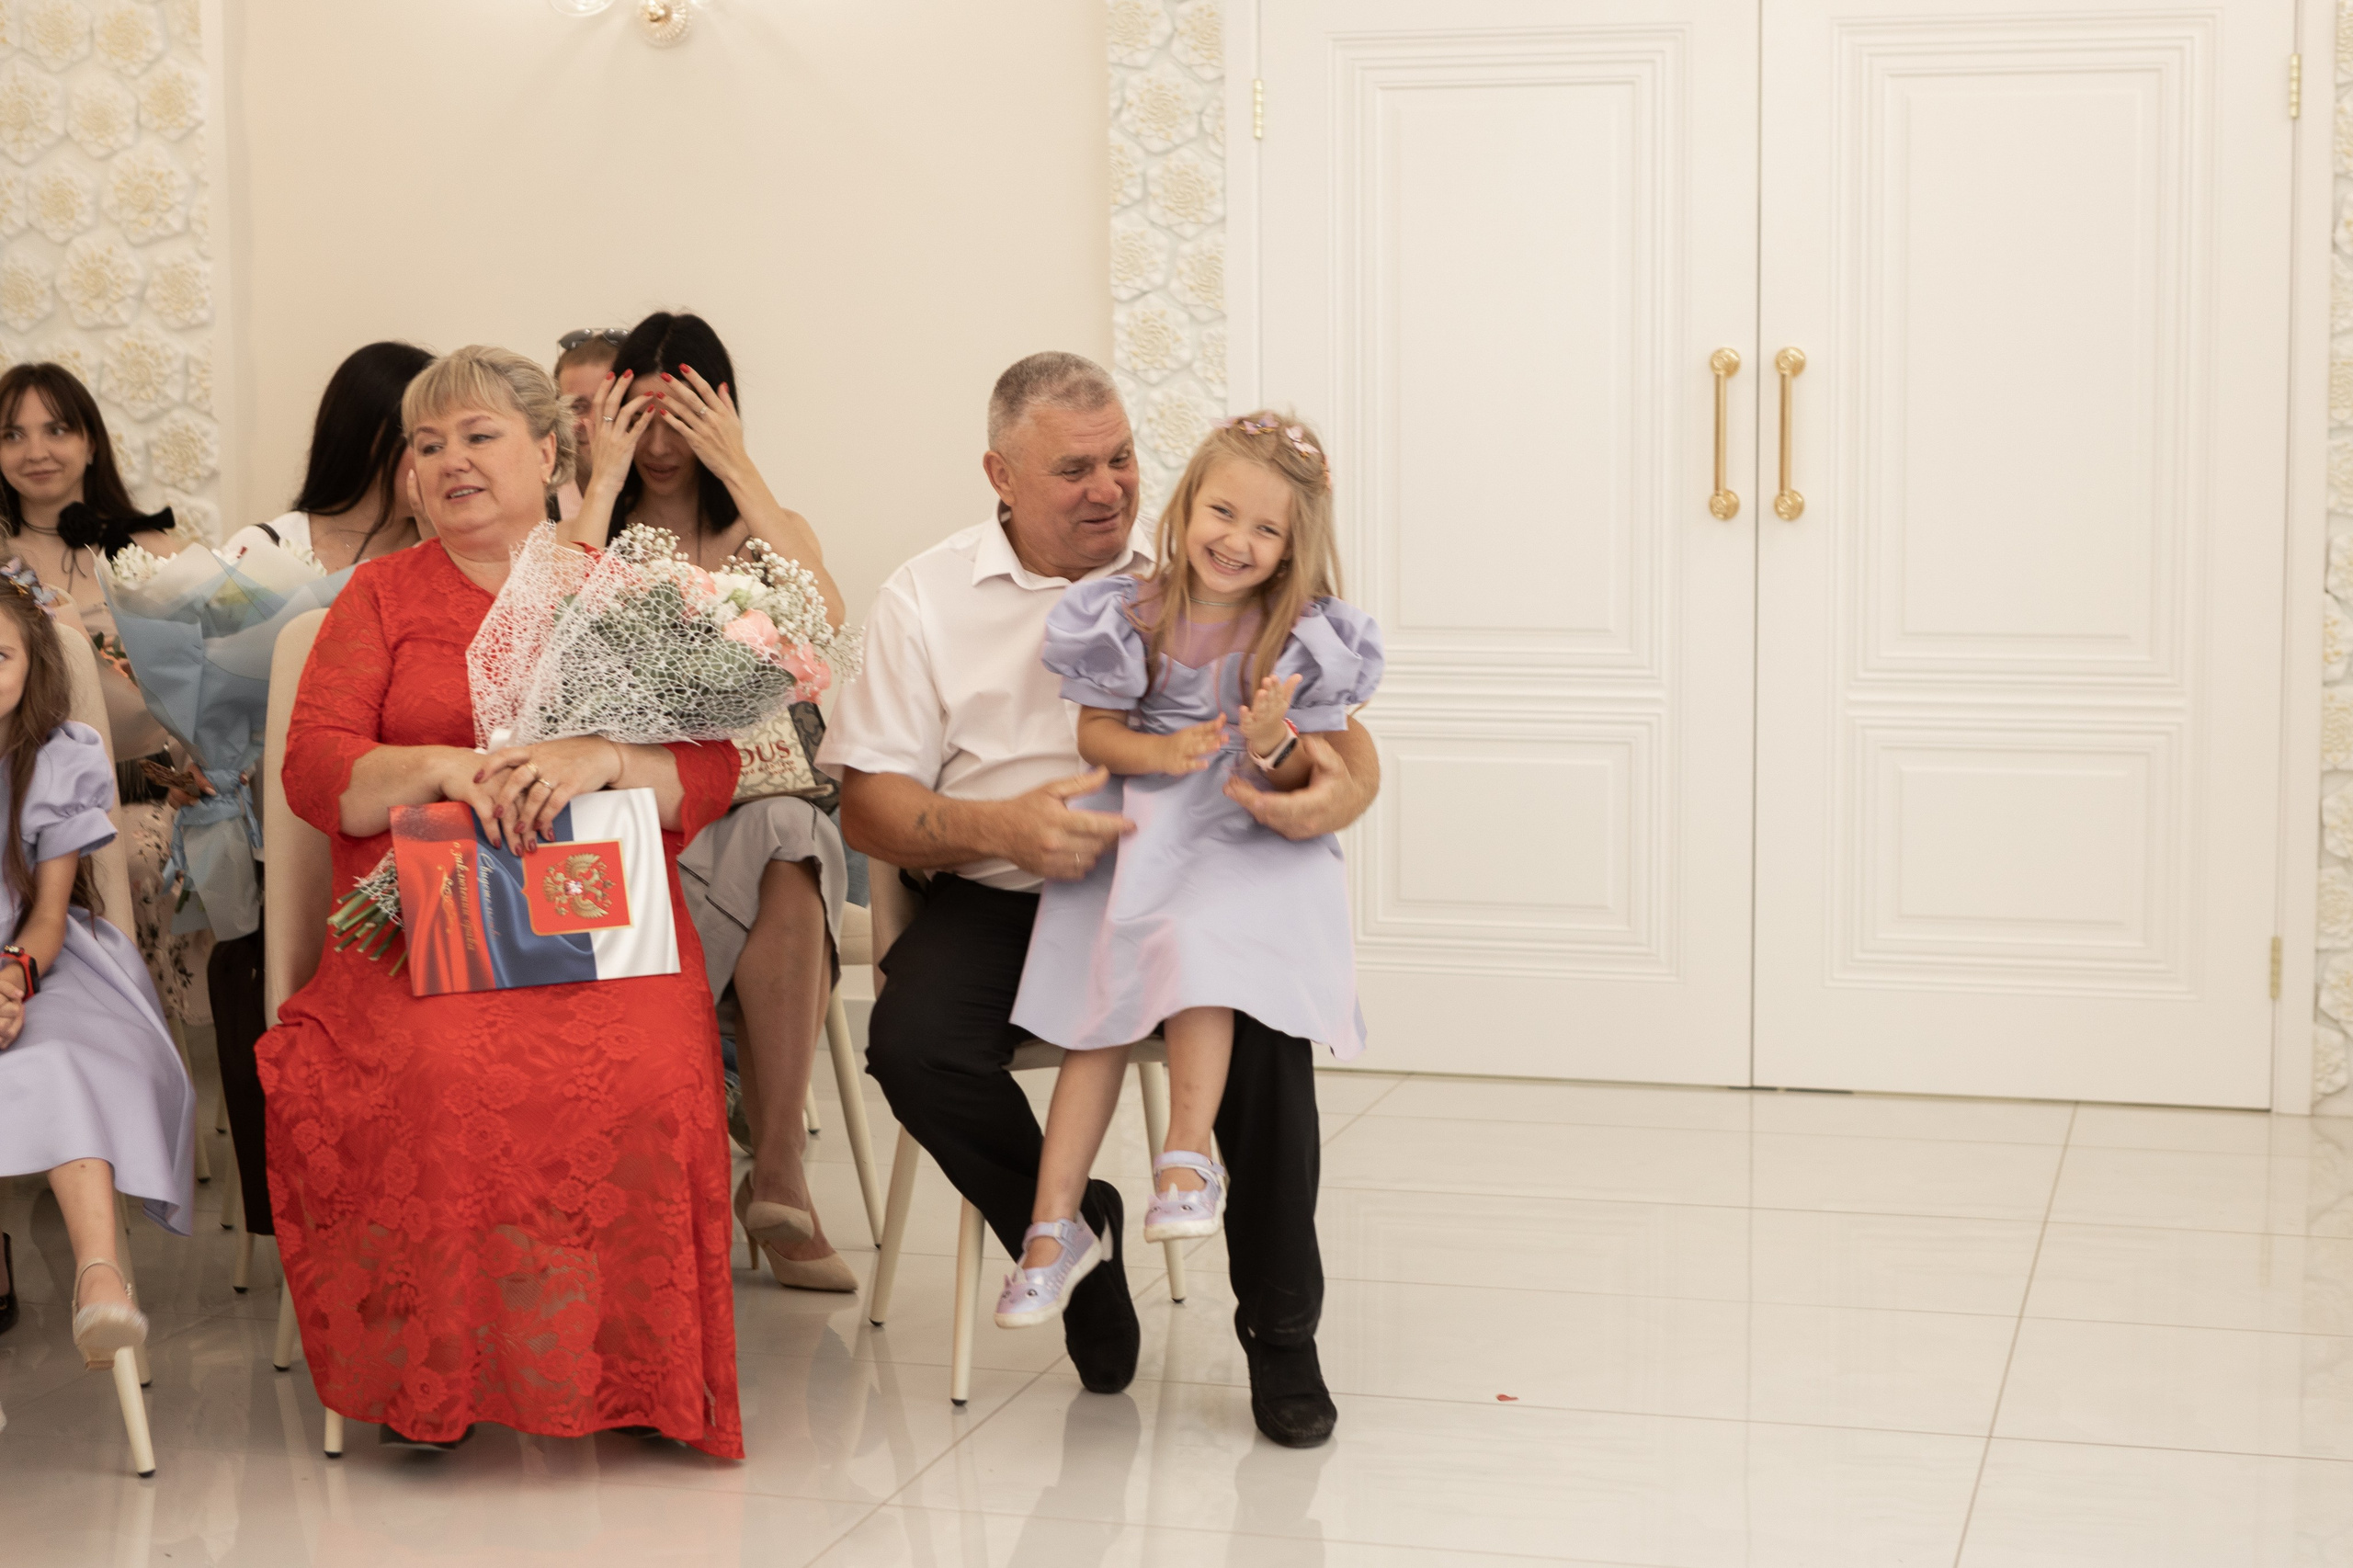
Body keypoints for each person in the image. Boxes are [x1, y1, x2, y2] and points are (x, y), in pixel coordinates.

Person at [820, 352, 1382, 1448]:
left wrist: (1335, 795)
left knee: (1261, 1037)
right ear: (1001, 473)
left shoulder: (1196, 558)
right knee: (915, 1043)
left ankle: (1280, 1329)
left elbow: (1341, 741)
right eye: (1073, 467)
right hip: (1002, 886)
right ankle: (1073, 1229)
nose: (1108, 487)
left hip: (1179, 882)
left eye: (1121, 457)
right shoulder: (926, 596)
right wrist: (999, 826)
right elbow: (867, 805)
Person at [257, 346, 744, 1455]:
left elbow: (707, 773)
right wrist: (437, 767)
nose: (447, 462)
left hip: (597, 920)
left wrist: (602, 757)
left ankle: (636, 1379)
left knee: (655, 1064)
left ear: (546, 452)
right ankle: (442, 1382)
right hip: (420, 928)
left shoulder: (621, 596)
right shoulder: (380, 597)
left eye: (477, 436)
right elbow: (316, 768)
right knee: (441, 1066)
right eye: (426, 446)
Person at [995, 412, 1381, 1330]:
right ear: (1186, 503)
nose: (1236, 540)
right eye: (1221, 511)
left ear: (1294, 547)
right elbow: (1092, 729)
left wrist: (1269, 737)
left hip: (1232, 830)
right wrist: (1150, 754)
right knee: (1098, 1011)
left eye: (1266, 529)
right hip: (1134, 822)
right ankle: (1052, 1229)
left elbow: (1306, 770)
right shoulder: (1127, 610)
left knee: (1199, 949)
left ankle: (1186, 1153)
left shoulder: (1300, 634)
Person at [571, 312, 856, 1291]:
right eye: (638, 421)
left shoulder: (761, 530)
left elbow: (823, 617)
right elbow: (538, 645)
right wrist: (596, 481)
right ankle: (764, 1172)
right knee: (788, 842)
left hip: (761, 801)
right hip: (632, 814)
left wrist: (743, 473)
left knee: (790, 829)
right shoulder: (580, 534)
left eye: (681, 421)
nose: (659, 447)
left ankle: (774, 1164)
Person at [209, 340, 436, 1250]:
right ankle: (291, 1210)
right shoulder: (265, 549)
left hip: (409, 829)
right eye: (419, 437)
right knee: (255, 962)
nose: (441, 460)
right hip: (271, 813)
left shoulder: (441, 553)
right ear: (373, 438)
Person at [0, 574, 193, 1374]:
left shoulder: (51, 758)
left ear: (29, 666)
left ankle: (99, 1276)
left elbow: (48, 912)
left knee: (62, 1058)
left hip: (40, 958)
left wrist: (13, 979)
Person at [0, 364, 209, 1045]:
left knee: (163, 862)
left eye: (57, 429)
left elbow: (209, 689)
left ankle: (155, 1067)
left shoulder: (158, 553)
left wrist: (201, 776)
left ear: (91, 441)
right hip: (28, 808)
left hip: (153, 793)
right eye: (13, 434)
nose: (37, 450)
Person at [222, 341, 434, 572]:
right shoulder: (261, 548)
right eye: (430, 445)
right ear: (369, 438)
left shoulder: (458, 554)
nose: (448, 463)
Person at [550, 328, 624, 521]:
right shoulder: (534, 502)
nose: (594, 422)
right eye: (578, 407)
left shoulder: (659, 496)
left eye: (608, 403)